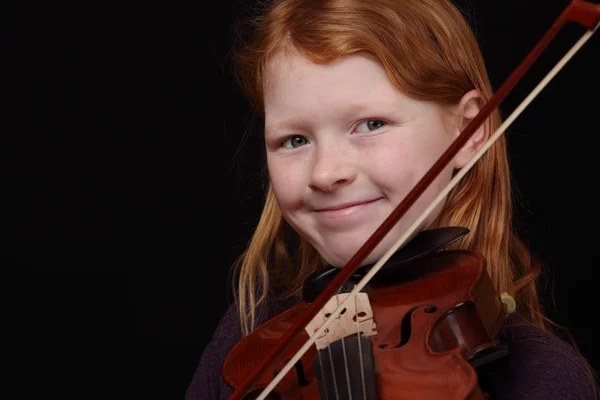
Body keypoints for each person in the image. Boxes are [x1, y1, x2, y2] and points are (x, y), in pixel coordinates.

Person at [185, 0, 598, 398]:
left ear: (468, 133)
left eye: (370, 124)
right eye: (295, 140)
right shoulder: (257, 338)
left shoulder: (543, 379)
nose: (326, 173)